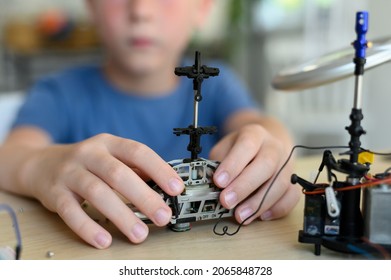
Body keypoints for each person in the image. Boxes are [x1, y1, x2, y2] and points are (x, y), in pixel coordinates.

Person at [0, 0, 300, 249]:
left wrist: (273, 146)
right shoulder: (58, 93)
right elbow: (10, 156)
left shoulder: (220, 86)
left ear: (202, 8)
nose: (141, 10)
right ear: (91, 6)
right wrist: (41, 166)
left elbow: (259, 125)